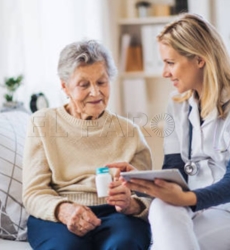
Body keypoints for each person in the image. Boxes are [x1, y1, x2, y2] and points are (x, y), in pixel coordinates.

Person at [108, 13, 230, 250]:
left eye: (170, 62)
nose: (164, 73)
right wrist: (143, 181)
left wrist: (185, 199)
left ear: (199, 59)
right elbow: (175, 171)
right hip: (196, 203)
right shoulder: (177, 102)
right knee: (161, 206)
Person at [22, 40, 152, 250]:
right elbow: (33, 193)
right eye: (84, 85)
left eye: (101, 82)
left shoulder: (129, 131)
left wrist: (131, 204)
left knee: (124, 246)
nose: (95, 92)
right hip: (61, 212)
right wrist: (64, 210)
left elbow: (148, 196)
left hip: (116, 213)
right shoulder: (42, 123)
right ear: (64, 86)